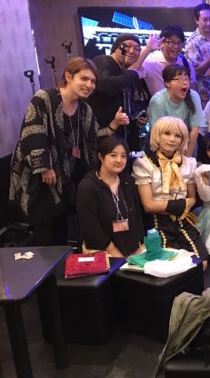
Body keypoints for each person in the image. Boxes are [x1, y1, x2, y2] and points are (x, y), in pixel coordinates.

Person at [10, 58, 129, 246]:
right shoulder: (44, 98)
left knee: (61, 234)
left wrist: (114, 123)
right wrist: (44, 167)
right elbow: (32, 131)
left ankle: (62, 263)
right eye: (84, 79)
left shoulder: (84, 109)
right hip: (41, 177)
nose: (89, 85)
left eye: (93, 81)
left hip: (66, 178)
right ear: (68, 76)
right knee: (44, 235)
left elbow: (95, 137)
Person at [132, 117, 208, 266]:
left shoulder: (189, 163)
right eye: (167, 133)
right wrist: (180, 204)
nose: (172, 139)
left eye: (178, 135)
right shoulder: (144, 164)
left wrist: (182, 205)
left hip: (182, 219)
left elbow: (192, 198)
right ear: (157, 135)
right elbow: (148, 205)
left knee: (201, 263)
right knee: (168, 266)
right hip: (156, 223)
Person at [88, 32, 159, 152]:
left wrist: (138, 116)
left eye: (137, 49)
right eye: (127, 46)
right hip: (103, 134)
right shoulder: (104, 61)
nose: (132, 51)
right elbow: (105, 85)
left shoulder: (124, 71)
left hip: (122, 135)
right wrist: (135, 74)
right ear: (116, 47)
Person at [76, 136, 145, 256]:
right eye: (113, 155)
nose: (119, 160)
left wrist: (138, 245)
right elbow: (90, 226)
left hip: (130, 247)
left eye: (123, 156)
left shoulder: (127, 180)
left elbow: (136, 215)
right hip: (102, 249)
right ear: (101, 157)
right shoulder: (88, 186)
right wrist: (113, 251)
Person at [147, 64, 205, 158]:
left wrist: (187, 159)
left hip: (187, 143)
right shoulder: (157, 101)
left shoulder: (193, 96)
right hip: (163, 145)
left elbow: (194, 130)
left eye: (186, 79)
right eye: (180, 79)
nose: (185, 83)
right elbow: (157, 133)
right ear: (167, 83)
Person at [142, 25, 197, 95]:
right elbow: (132, 71)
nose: (176, 46)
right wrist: (148, 48)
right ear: (162, 42)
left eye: (179, 43)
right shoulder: (150, 62)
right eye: (172, 42)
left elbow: (192, 90)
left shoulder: (186, 64)